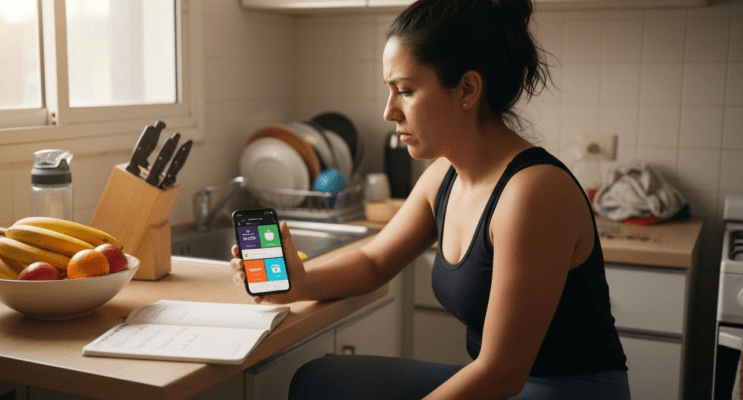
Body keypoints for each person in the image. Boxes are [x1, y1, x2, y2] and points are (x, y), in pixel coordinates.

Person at [229, 0, 630, 398]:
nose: (389, 112)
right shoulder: (444, 175)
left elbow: (502, 373)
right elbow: (374, 262)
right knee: (319, 380)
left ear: (467, 89)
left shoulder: (533, 193)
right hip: (503, 383)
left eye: (404, 90)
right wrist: (298, 283)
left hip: (562, 389)